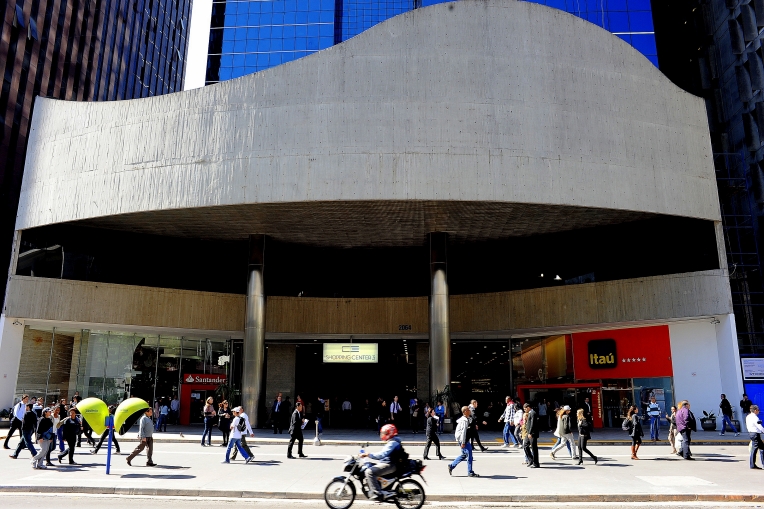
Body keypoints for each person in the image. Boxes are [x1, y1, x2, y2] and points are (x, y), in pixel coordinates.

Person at [361, 424, 409, 500]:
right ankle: (380, 488)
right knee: (371, 466)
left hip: (390, 465)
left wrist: (368, 454)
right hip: (388, 463)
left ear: (390, 433)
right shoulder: (392, 441)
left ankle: (377, 493)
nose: (383, 435)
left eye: (385, 433)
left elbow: (382, 454)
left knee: (369, 472)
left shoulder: (393, 443)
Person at [448, 406, 478, 477]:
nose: (469, 411)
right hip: (463, 440)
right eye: (468, 410)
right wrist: (463, 442)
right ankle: (470, 472)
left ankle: (451, 466)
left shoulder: (467, 419)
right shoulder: (464, 421)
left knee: (464, 455)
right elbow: (463, 432)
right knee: (469, 456)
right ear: (464, 412)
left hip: (464, 439)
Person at [746, 404, 764, 469]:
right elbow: (759, 426)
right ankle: (753, 465)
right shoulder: (755, 417)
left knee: (756, 449)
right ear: (755, 410)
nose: (759, 411)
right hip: (755, 434)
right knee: (759, 449)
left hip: (751, 433)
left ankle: (752, 465)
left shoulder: (748, 416)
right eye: (758, 410)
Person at [523, 402, 540, 468]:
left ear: (528, 407)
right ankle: (531, 460)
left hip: (532, 433)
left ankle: (536, 463)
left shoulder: (533, 413)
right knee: (525, 446)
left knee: (534, 448)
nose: (525, 410)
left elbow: (533, 424)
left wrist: (530, 433)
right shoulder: (530, 413)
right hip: (529, 433)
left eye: (525, 409)